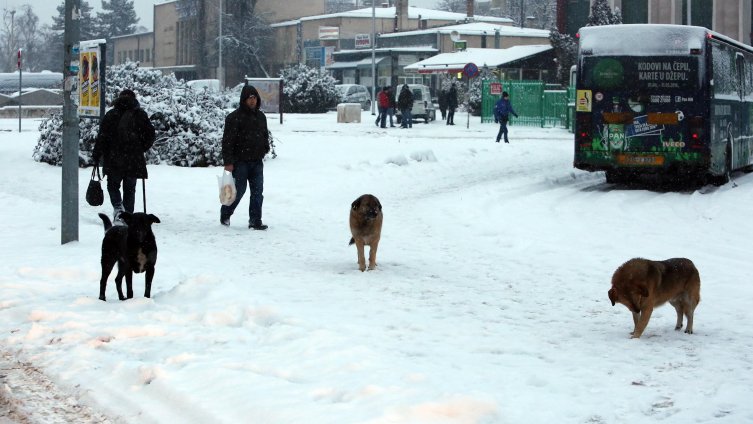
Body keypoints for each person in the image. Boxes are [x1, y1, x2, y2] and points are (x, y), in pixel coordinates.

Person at [93, 89, 155, 220]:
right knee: (130, 188)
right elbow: (150, 135)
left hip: (114, 158)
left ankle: (118, 207)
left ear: (119, 99)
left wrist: (97, 154)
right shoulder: (140, 115)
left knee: (113, 185)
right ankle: (128, 215)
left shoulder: (111, 115)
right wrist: (140, 148)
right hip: (134, 159)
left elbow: (102, 137)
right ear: (134, 99)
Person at [220, 85, 271, 230]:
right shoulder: (234, 118)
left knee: (257, 193)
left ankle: (255, 221)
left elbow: (264, 135)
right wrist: (228, 162)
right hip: (240, 162)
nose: (253, 101)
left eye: (254, 97)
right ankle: (225, 213)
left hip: (257, 161)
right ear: (244, 99)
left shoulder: (261, 116)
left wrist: (265, 148)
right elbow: (227, 141)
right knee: (238, 191)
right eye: (250, 98)